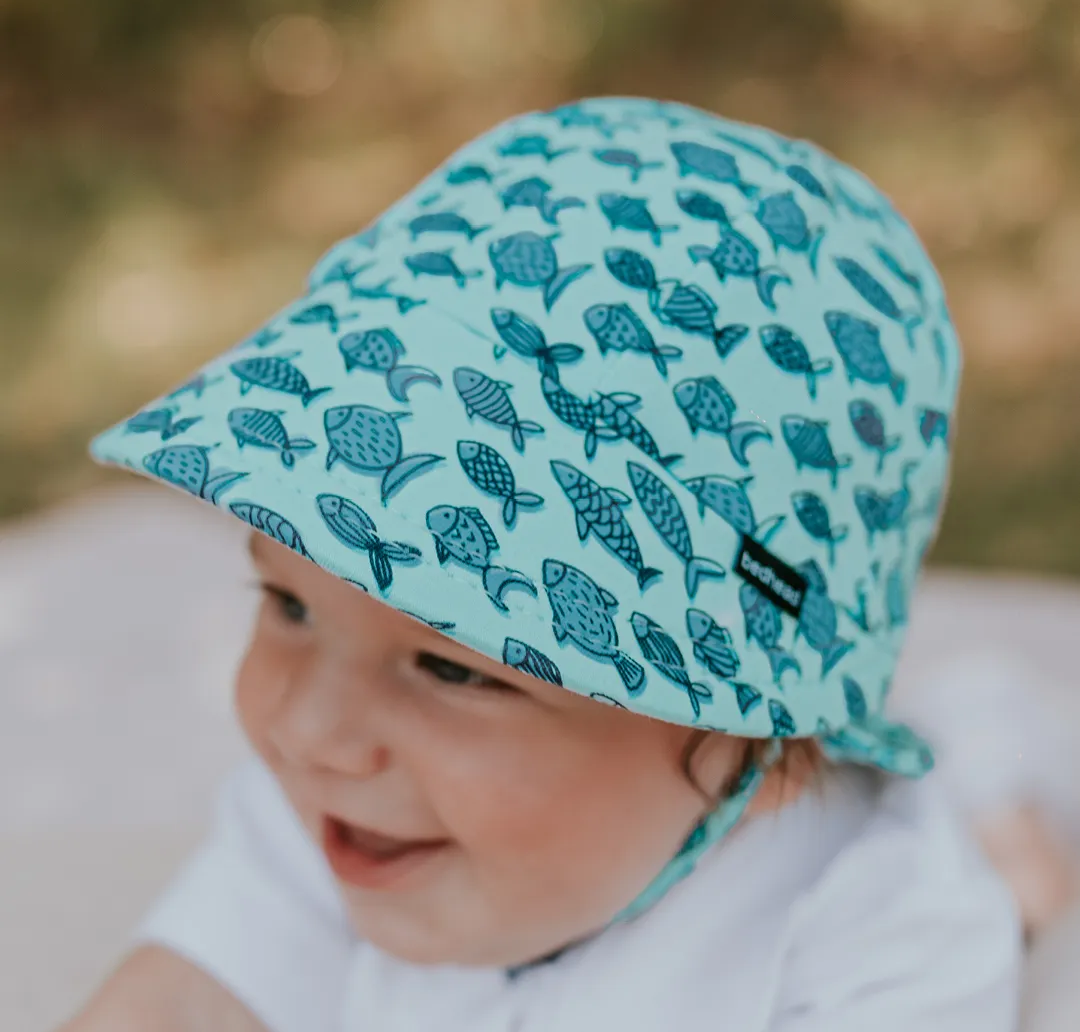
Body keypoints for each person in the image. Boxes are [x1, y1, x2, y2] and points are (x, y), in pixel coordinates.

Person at [62, 97, 1021, 1032]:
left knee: (1007, 803)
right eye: (287, 603)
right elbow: (179, 995)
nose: (311, 734)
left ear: (752, 732)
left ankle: (1010, 805)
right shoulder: (332, 821)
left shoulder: (877, 947)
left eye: (453, 665)